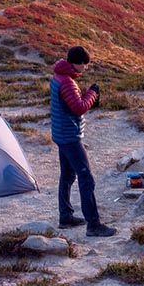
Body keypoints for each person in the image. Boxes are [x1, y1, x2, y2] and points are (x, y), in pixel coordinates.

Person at [50, 45, 116, 237]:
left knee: (68, 175)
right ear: (77, 63)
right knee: (86, 178)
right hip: (70, 136)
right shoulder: (67, 82)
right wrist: (92, 93)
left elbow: (69, 105)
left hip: (61, 134)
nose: (86, 68)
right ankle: (93, 224)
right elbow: (79, 108)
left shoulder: (58, 76)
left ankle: (65, 216)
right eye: (84, 64)